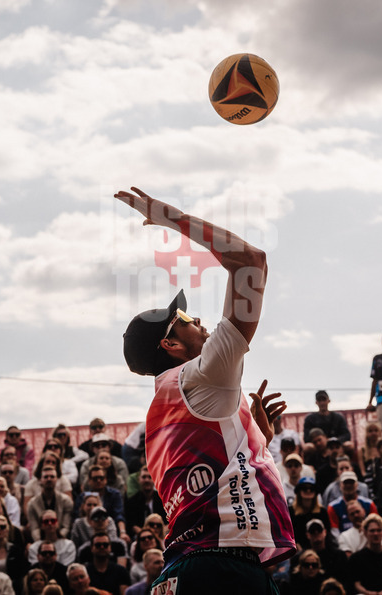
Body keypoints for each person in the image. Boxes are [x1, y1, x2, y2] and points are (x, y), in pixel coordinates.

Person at [116, 187, 296, 593]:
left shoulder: (162, 414)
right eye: (181, 317)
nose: (195, 316)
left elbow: (213, 473)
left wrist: (257, 441)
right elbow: (251, 262)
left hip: (181, 573)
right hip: (223, 570)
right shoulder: (203, 373)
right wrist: (173, 219)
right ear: (170, 344)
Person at [345, 514, 382, 595]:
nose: (376, 534)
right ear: (365, 533)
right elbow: (356, 583)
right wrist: (367, 592)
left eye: (379, 530)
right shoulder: (356, 558)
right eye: (372, 531)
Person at [304, 392, 353, 457]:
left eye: (324, 400)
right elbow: (306, 438)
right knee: (308, 447)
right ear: (316, 402)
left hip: (336, 445)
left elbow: (347, 435)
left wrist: (334, 440)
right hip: (318, 447)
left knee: (349, 445)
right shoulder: (310, 418)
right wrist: (320, 441)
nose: (322, 403)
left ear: (328, 401)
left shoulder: (338, 417)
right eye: (319, 400)